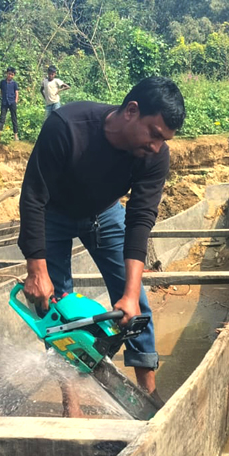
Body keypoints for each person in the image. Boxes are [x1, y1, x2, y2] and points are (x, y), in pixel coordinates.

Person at [18, 76, 185, 416]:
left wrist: (129, 290)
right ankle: (72, 403)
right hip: (55, 213)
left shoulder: (155, 156)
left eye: (163, 139)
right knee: (56, 308)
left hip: (105, 212)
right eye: (153, 133)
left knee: (133, 301)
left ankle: (148, 394)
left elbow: (140, 219)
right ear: (131, 111)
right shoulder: (67, 126)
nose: (156, 146)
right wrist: (36, 270)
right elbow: (33, 196)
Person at [0, 67, 20, 141]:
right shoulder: (2, 82)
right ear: (7, 73)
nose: (10, 76)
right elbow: (1, 91)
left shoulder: (14, 84)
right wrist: (3, 97)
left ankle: (16, 135)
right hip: (4, 102)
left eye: (12, 74)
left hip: (12, 102)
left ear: (13, 76)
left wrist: (15, 100)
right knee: (2, 118)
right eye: (9, 74)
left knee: (14, 118)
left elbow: (16, 92)